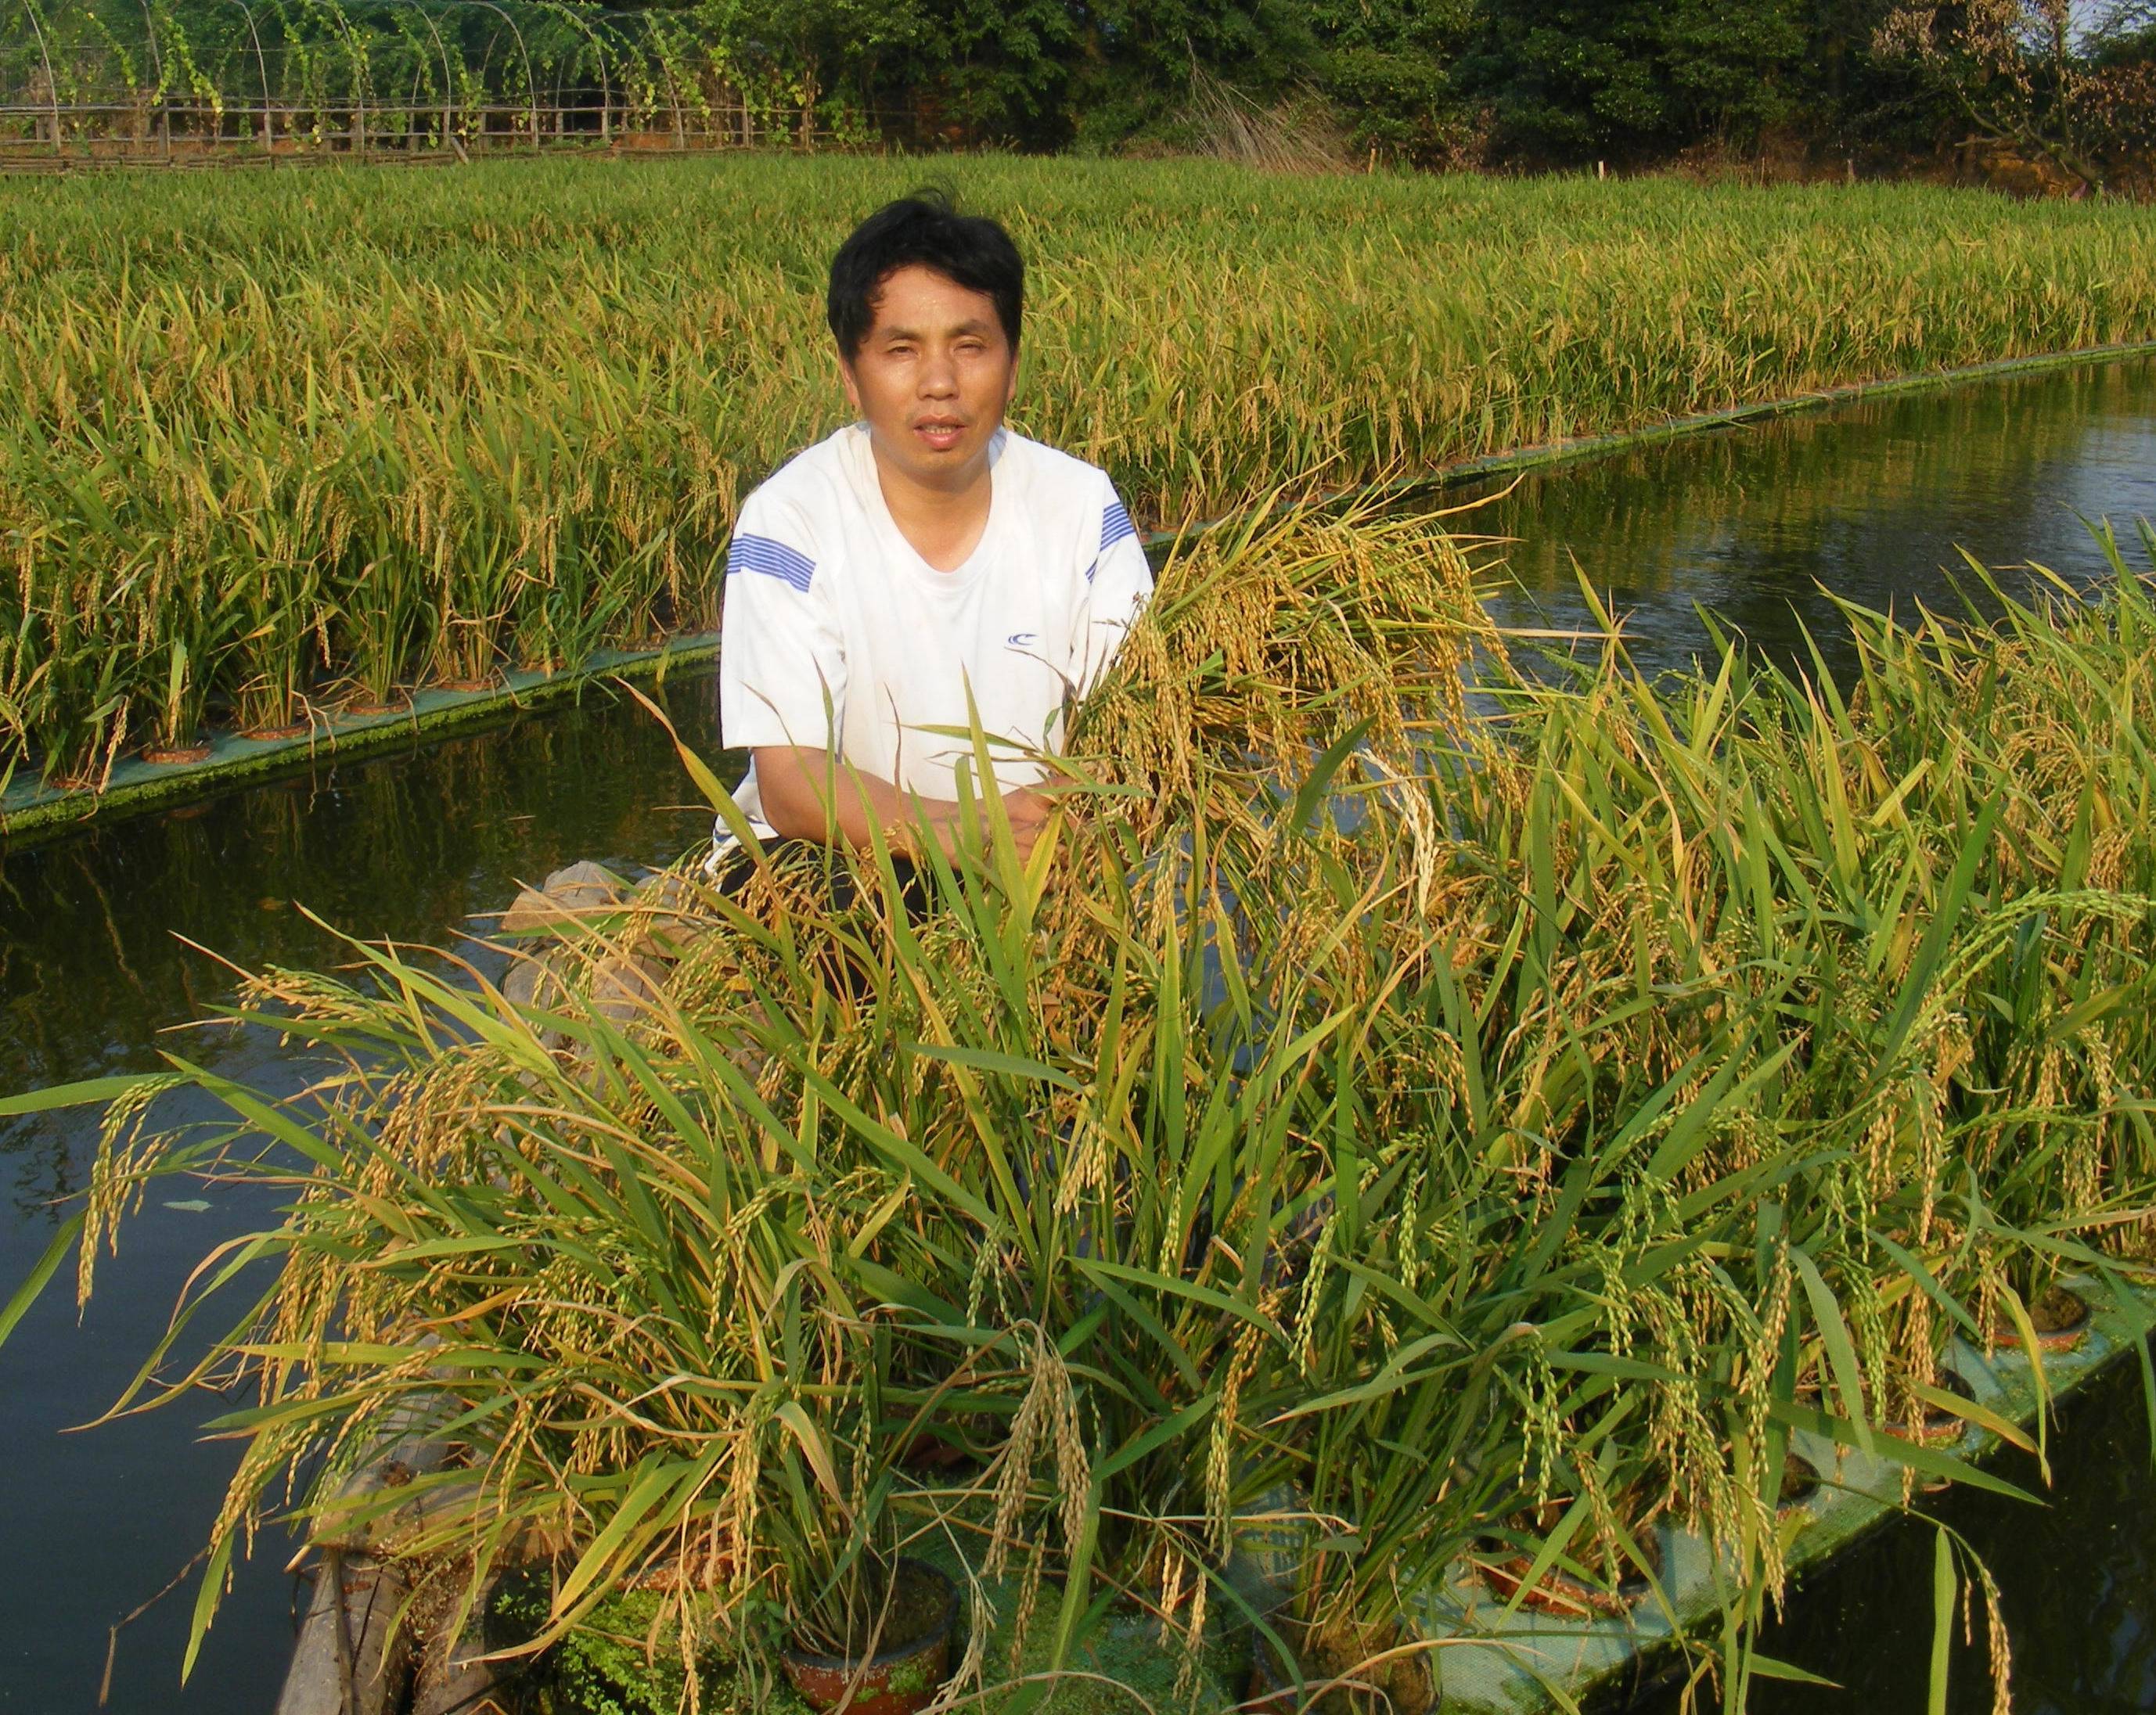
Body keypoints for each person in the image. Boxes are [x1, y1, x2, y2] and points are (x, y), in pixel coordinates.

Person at [714, 190, 1153, 879]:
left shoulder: (1077, 505)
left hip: (1035, 840)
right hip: (827, 855)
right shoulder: (790, 519)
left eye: (970, 346)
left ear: (1012, 366)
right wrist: (966, 832)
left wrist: (1031, 826)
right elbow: (792, 780)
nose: (940, 384)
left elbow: (1137, 722)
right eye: (901, 350)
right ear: (850, 377)